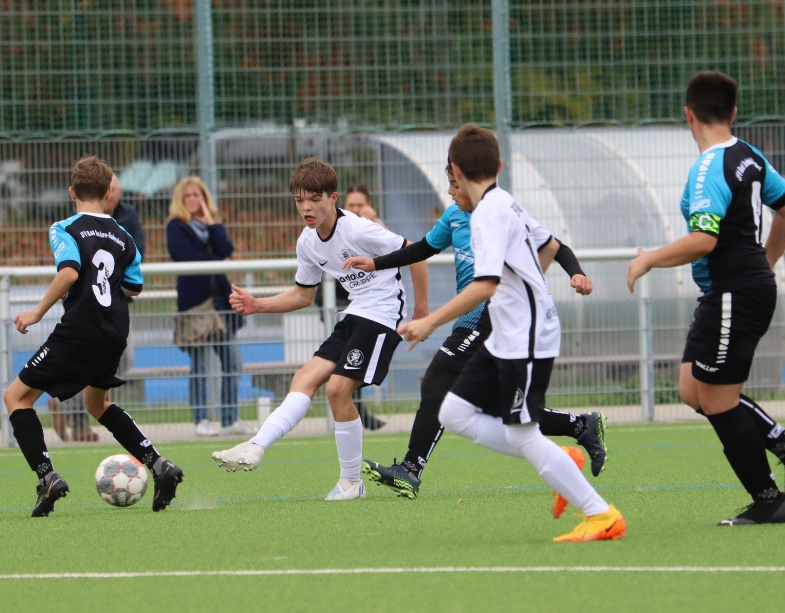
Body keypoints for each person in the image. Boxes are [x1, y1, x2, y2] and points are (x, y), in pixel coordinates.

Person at [401, 124, 625, 541]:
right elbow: (549, 246)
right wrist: (527, 285)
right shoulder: (506, 202)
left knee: (521, 433)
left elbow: (485, 285)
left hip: (527, 336)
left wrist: (429, 321)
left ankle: (601, 513)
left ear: (455, 170)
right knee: (453, 412)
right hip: (506, 332)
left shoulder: (488, 214)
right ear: (499, 165)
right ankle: (560, 462)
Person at [345, 164, 608, 502]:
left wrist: (574, 273)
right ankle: (579, 426)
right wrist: (376, 262)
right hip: (475, 319)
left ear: (470, 180)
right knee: (493, 406)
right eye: (449, 184)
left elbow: (553, 247)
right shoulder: (456, 215)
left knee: (439, 378)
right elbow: (423, 248)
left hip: (490, 317)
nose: (450, 192)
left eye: (454, 184)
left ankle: (411, 469)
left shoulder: (497, 212)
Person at [212, 157, 429, 500]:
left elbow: (415, 252)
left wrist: (422, 312)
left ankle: (351, 483)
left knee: (337, 389)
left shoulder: (357, 229)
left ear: (333, 197)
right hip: (355, 313)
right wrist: (257, 304)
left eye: (314, 199)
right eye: (299, 200)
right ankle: (256, 446)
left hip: (382, 314)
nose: (306, 207)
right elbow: (302, 295)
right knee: (304, 378)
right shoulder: (307, 242)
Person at [627, 70, 785, 526]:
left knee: (717, 400)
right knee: (692, 389)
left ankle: (770, 500)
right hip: (727, 292)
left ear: (688, 114)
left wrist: (648, 260)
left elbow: (703, 240)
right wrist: (767, 261)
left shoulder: (708, 168)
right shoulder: (749, 155)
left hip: (734, 292)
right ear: (733, 112)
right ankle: (778, 441)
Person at [3, 155, 183, 516]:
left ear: (72, 191)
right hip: (114, 332)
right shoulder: (124, 236)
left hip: (80, 329)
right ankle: (159, 464)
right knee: (97, 404)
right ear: (108, 193)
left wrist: (36, 313)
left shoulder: (65, 228)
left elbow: (69, 272)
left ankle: (47, 477)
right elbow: (134, 287)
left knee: (16, 397)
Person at [47, 173, 146, 442]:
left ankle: (65, 400)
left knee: (121, 361)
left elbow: (137, 255)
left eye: (113, 188)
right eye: (107, 187)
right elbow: (72, 268)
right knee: (83, 364)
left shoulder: (127, 219)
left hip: (116, 310)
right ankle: (78, 421)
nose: (110, 192)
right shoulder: (74, 222)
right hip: (85, 309)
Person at [166, 176, 252, 437]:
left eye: (198, 195)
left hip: (220, 304)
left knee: (233, 362)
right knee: (201, 366)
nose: (193, 199)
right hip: (196, 305)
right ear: (181, 200)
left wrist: (212, 223)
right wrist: (214, 257)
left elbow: (226, 248)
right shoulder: (176, 227)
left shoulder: (210, 225)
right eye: (188, 195)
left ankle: (230, 419)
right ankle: (201, 419)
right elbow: (188, 257)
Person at [315, 183, 388, 431]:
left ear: (369, 206)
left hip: (370, 307)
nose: (355, 209)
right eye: (351, 205)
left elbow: (395, 252)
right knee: (346, 363)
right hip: (338, 303)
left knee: (351, 364)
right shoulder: (334, 227)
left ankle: (356, 412)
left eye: (360, 205)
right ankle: (354, 413)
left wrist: (374, 220)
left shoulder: (370, 228)